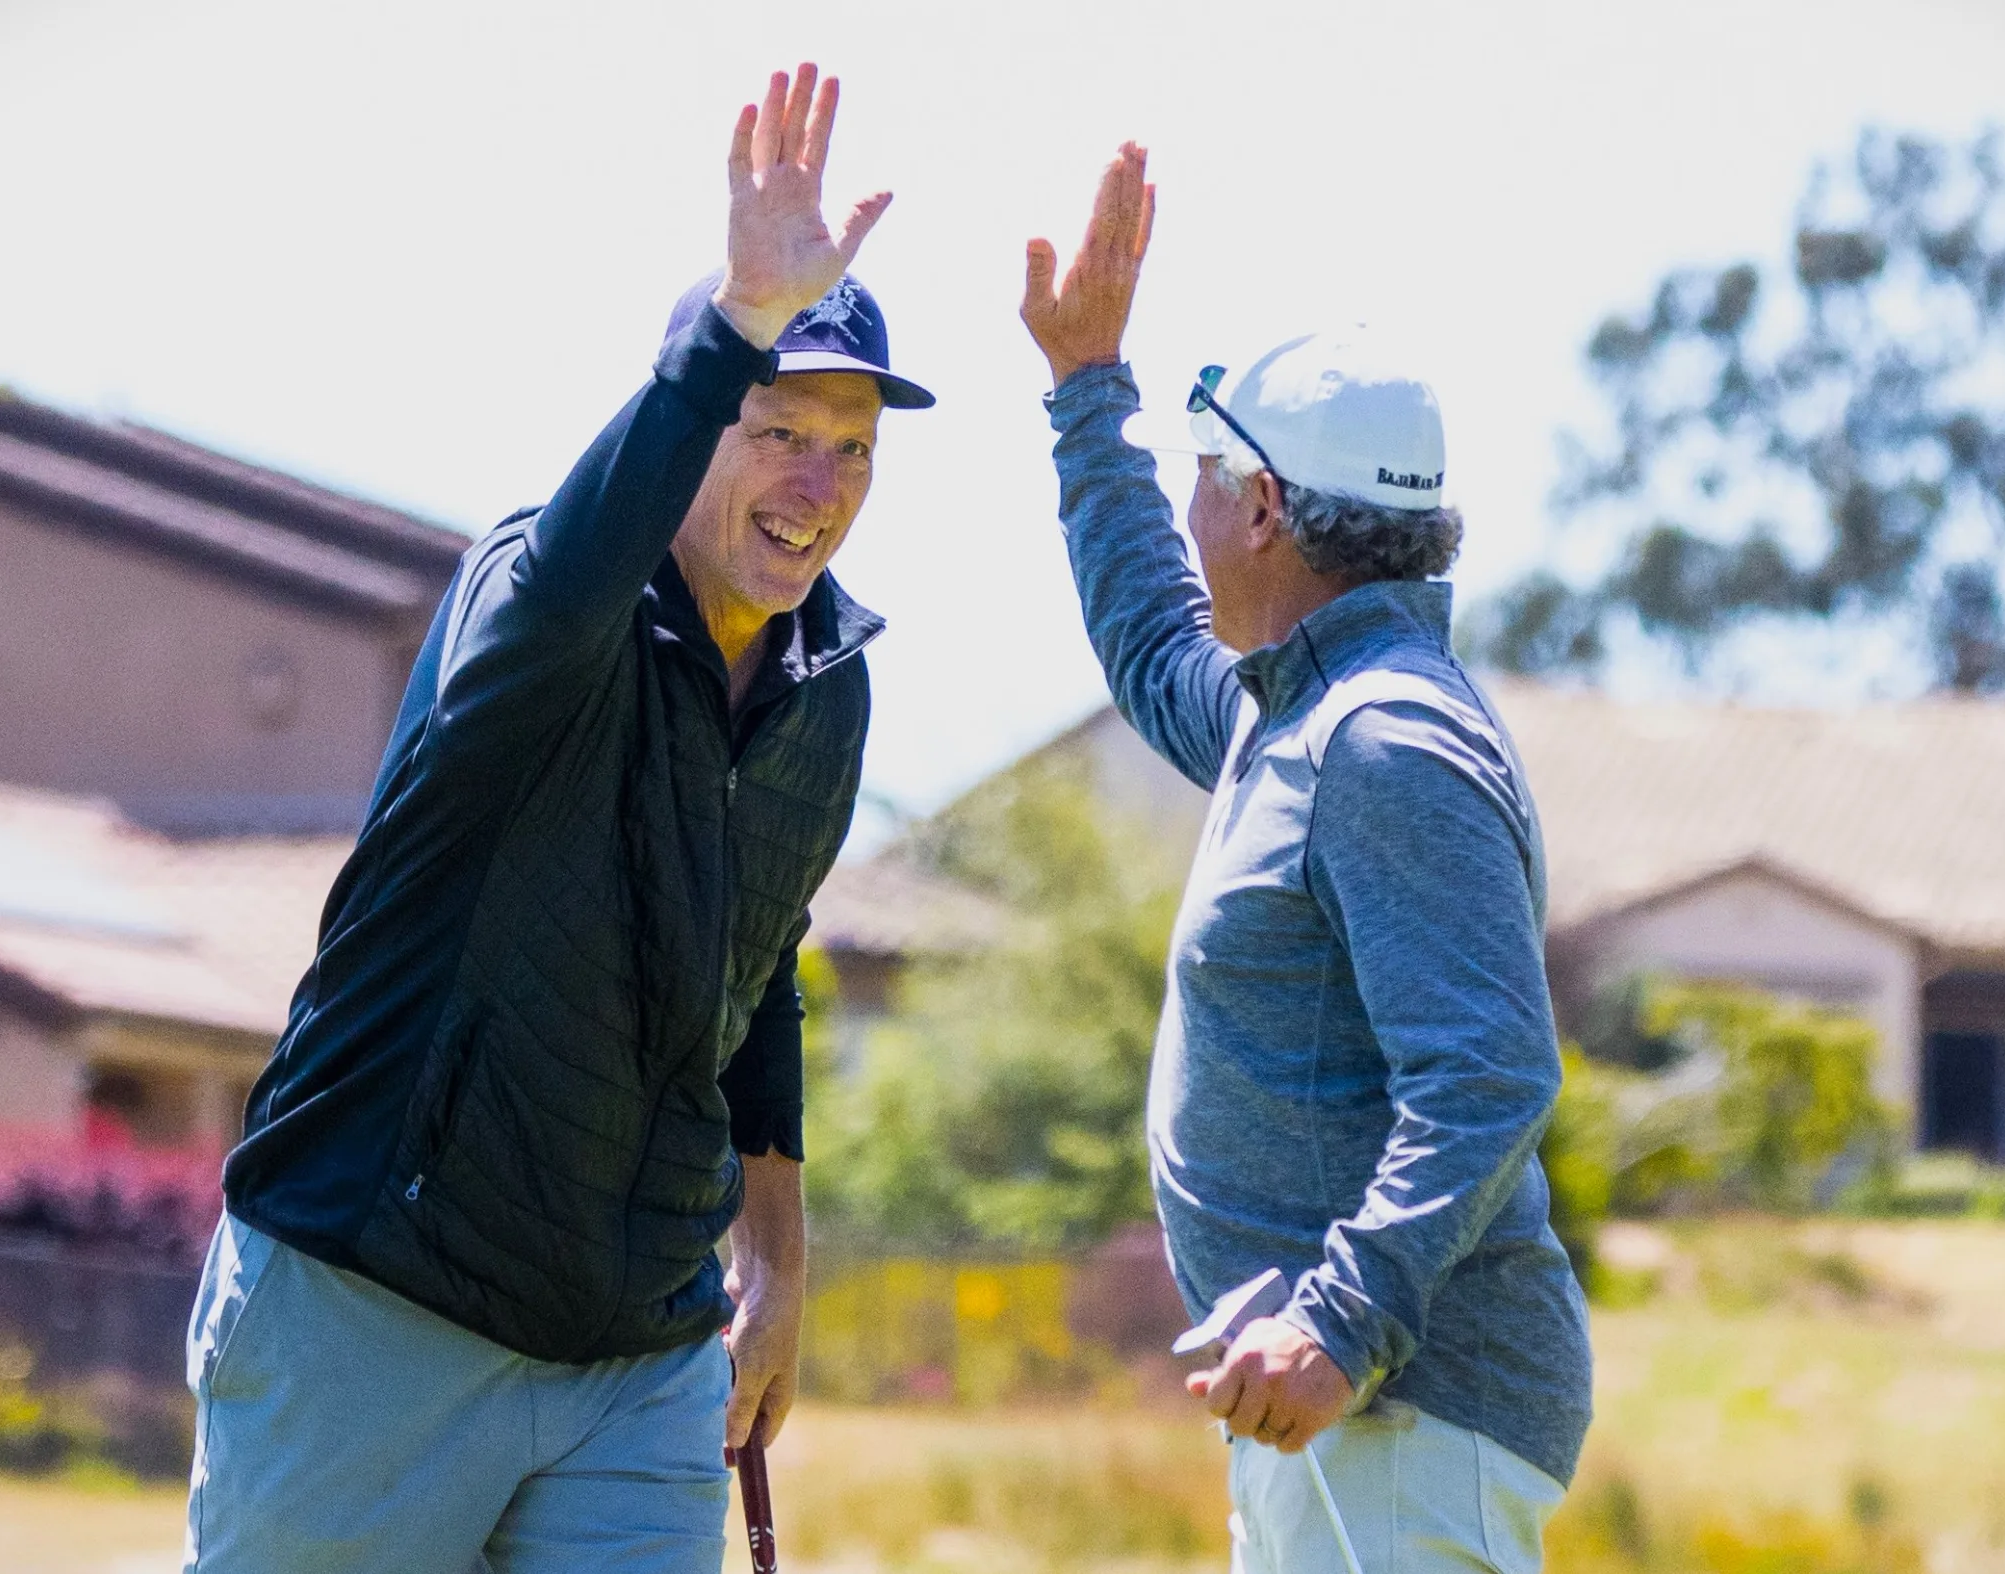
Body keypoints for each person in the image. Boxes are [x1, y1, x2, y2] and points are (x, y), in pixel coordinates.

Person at [183, 63, 931, 1574]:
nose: (822, 484)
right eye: (781, 427)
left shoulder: (827, 686)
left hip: (636, 1359)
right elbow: (582, 562)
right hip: (373, 1300)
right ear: (693, 420)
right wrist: (735, 321)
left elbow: (755, 966)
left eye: (855, 446)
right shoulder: (538, 599)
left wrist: (775, 1252)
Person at [1019, 146, 1592, 1574]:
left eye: (1209, 475)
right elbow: (1159, 645)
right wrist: (1090, 392)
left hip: (1394, 1409)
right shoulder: (1308, 715)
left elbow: (1489, 1073)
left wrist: (1339, 1320)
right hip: (1349, 1415)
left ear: (1267, 508)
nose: (1199, 505)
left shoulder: (1378, 741)